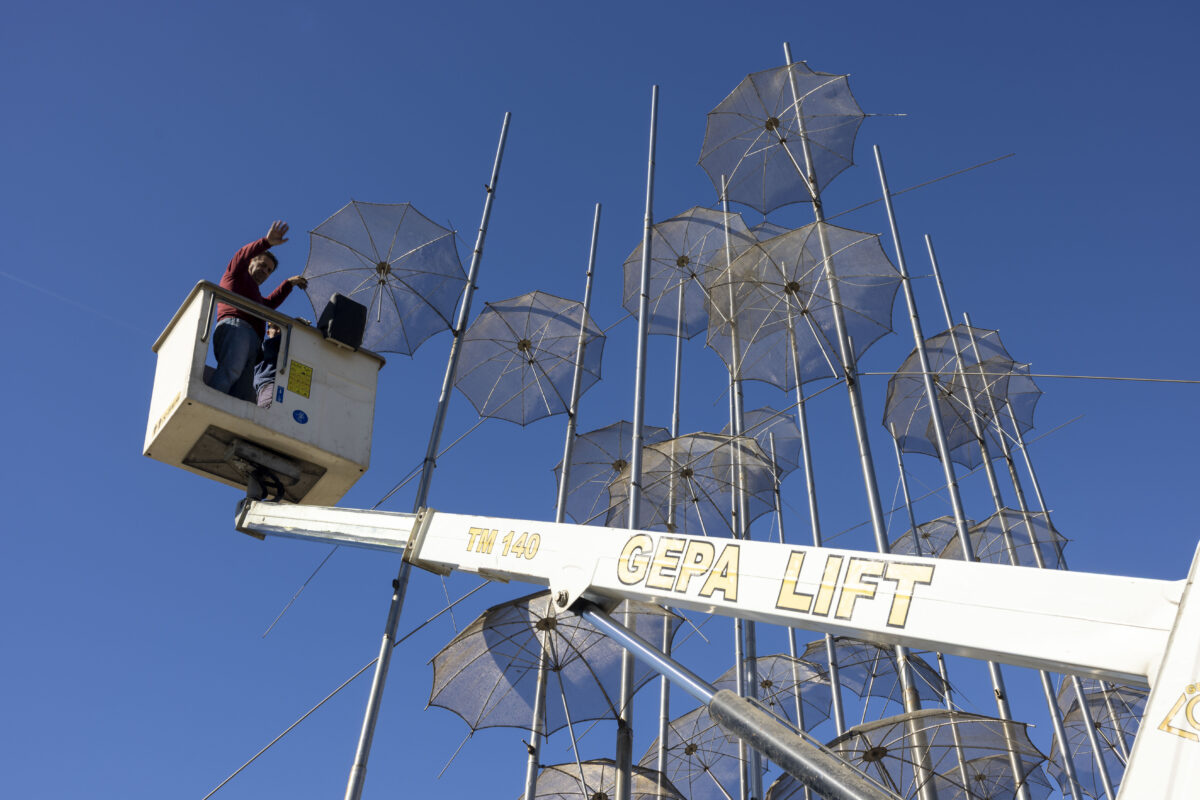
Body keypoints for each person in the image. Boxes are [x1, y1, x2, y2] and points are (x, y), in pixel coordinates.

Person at [208, 221, 307, 401]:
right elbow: (241, 254)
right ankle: (210, 402)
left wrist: (288, 284)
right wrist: (266, 242)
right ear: (251, 261)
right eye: (262, 265)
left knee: (244, 392)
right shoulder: (236, 274)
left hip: (254, 339)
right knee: (231, 371)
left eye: (269, 270)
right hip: (236, 328)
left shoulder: (255, 296)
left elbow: (267, 305)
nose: (265, 271)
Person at [254, 323, 282, 408]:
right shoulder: (267, 345)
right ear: (268, 332)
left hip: (269, 388)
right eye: (276, 328)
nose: (279, 331)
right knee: (268, 410)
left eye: (281, 329)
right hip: (269, 386)